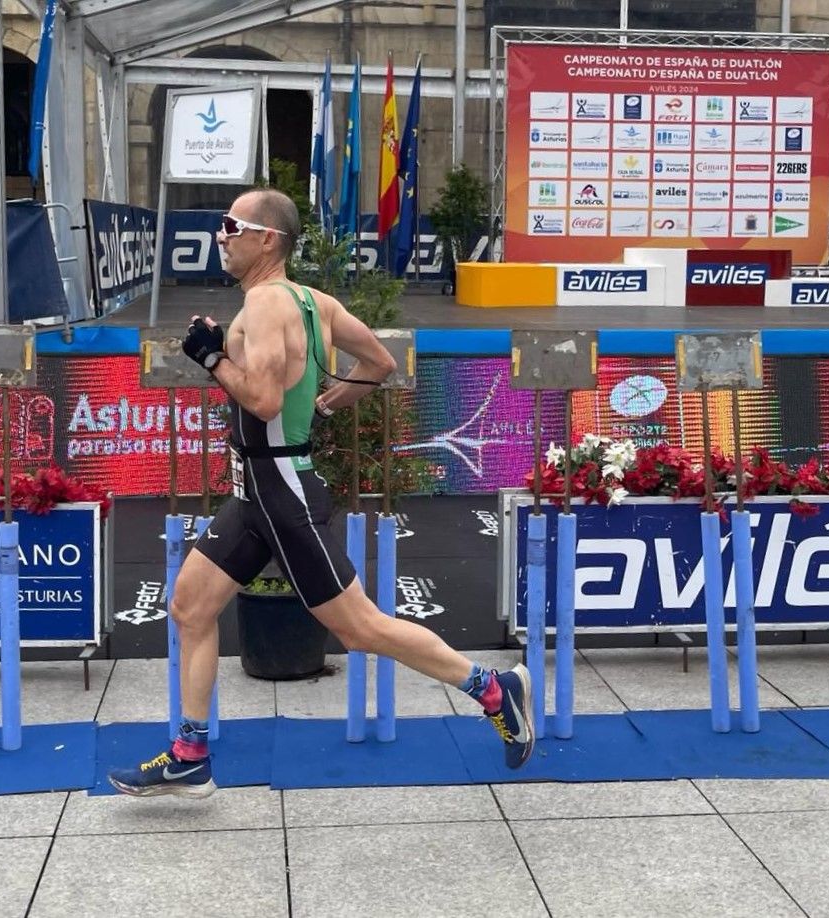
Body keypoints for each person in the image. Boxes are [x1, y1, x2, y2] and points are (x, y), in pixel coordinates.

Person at [108, 189, 534, 798]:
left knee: (360, 629)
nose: (221, 236)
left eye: (231, 225)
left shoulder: (264, 303)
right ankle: (190, 755)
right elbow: (380, 363)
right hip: (257, 493)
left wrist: (211, 358)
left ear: (267, 239)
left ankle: (493, 689)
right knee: (190, 607)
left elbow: (264, 402)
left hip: (279, 490)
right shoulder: (314, 302)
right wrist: (331, 401)